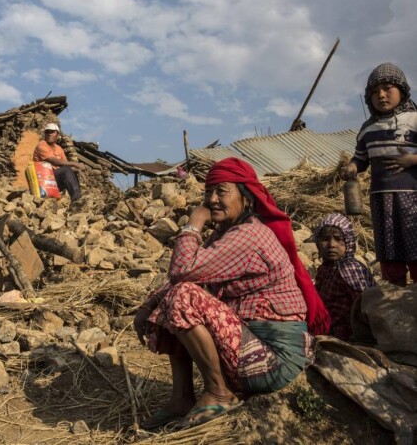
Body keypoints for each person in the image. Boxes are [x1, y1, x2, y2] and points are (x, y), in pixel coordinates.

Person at [134, 157, 330, 431]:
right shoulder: (229, 233)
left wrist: (193, 223)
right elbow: (180, 278)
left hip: (273, 361)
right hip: (250, 350)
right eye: (208, 192)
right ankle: (181, 398)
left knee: (183, 297)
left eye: (221, 191)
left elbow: (181, 272)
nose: (212, 199)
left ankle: (218, 393)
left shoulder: (249, 236)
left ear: (246, 199)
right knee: (170, 300)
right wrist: (147, 308)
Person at [342, 63, 417, 286]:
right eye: (374, 92)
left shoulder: (414, 119)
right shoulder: (367, 129)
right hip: (381, 199)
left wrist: (411, 160)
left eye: (387, 88)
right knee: (388, 247)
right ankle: (394, 296)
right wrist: (353, 166)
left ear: (402, 90)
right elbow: (361, 158)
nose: (381, 95)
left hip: (413, 197)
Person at [313, 213, 374, 341]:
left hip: (347, 329)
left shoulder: (349, 269)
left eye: (338, 239)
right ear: (317, 242)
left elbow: (363, 306)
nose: (332, 245)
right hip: (328, 322)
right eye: (325, 239)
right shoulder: (325, 268)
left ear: (348, 242)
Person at [33, 123, 85, 201]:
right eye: (47, 132)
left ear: (58, 134)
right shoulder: (42, 146)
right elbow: (54, 161)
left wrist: (77, 170)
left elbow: (65, 165)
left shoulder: (59, 148)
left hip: (53, 179)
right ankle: (77, 199)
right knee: (66, 170)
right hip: (43, 179)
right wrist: (75, 163)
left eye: (52, 132)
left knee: (70, 171)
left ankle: (77, 197)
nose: (49, 134)